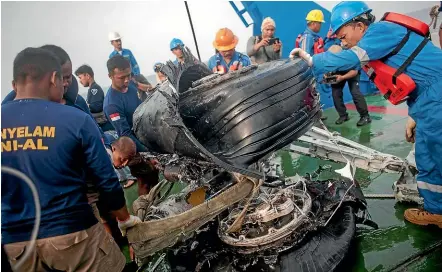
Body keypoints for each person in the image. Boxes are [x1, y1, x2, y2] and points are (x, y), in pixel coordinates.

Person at [290, 1, 442, 228]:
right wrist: (415, 115)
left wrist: (312, 60)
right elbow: (417, 78)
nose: (342, 42)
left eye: (343, 36)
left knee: (432, 152)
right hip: (427, 99)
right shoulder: (381, 40)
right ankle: (436, 207)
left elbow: (350, 58)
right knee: (430, 150)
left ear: (359, 26)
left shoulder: (380, 31)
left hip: (435, 95)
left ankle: (437, 211)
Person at [1, 47, 141, 271]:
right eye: (63, 80)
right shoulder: (75, 119)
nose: (66, 86)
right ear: (54, 78)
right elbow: (106, 180)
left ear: (14, 83)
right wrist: (124, 218)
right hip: (72, 234)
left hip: (16, 245)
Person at [104, 54, 149, 153]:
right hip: (138, 143)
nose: (126, 80)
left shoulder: (130, 83)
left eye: (129, 75)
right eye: (122, 77)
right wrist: (147, 151)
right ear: (110, 76)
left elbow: (144, 87)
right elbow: (126, 135)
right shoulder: (112, 105)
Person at [295, 9, 329, 120]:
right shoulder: (308, 37)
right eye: (319, 23)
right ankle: (311, 116)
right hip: (310, 72)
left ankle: (316, 114)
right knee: (310, 94)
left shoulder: (313, 37)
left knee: (314, 93)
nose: (320, 26)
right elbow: (304, 56)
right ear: (313, 23)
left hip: (315, 71)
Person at [327, 45, 371, 126]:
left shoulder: (350, 58)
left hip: (352, 72)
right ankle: (343, 115)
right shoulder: (330, 58)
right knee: (335, 93)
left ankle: (365, 116)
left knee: (355, 92)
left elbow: (354, 72)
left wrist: (342, 77)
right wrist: (327, 76)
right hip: (339, 72)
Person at [75, 64, 113, 132]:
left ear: (87, 76)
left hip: (102, 125)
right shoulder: (92, 89)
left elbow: (96, 107)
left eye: (80, 77)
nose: (80, 81)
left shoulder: (94, 89)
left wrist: (84, 108)